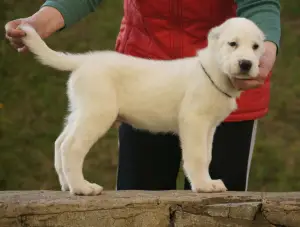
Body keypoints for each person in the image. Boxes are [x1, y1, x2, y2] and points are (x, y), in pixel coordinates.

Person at [5, 0, 280, 192]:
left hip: (226, 84)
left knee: (222, 213)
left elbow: (260, 2)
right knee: (138, 204)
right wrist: (40, 21)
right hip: (140, 76)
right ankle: (72, 176)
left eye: (253, 47)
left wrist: (265, 51)